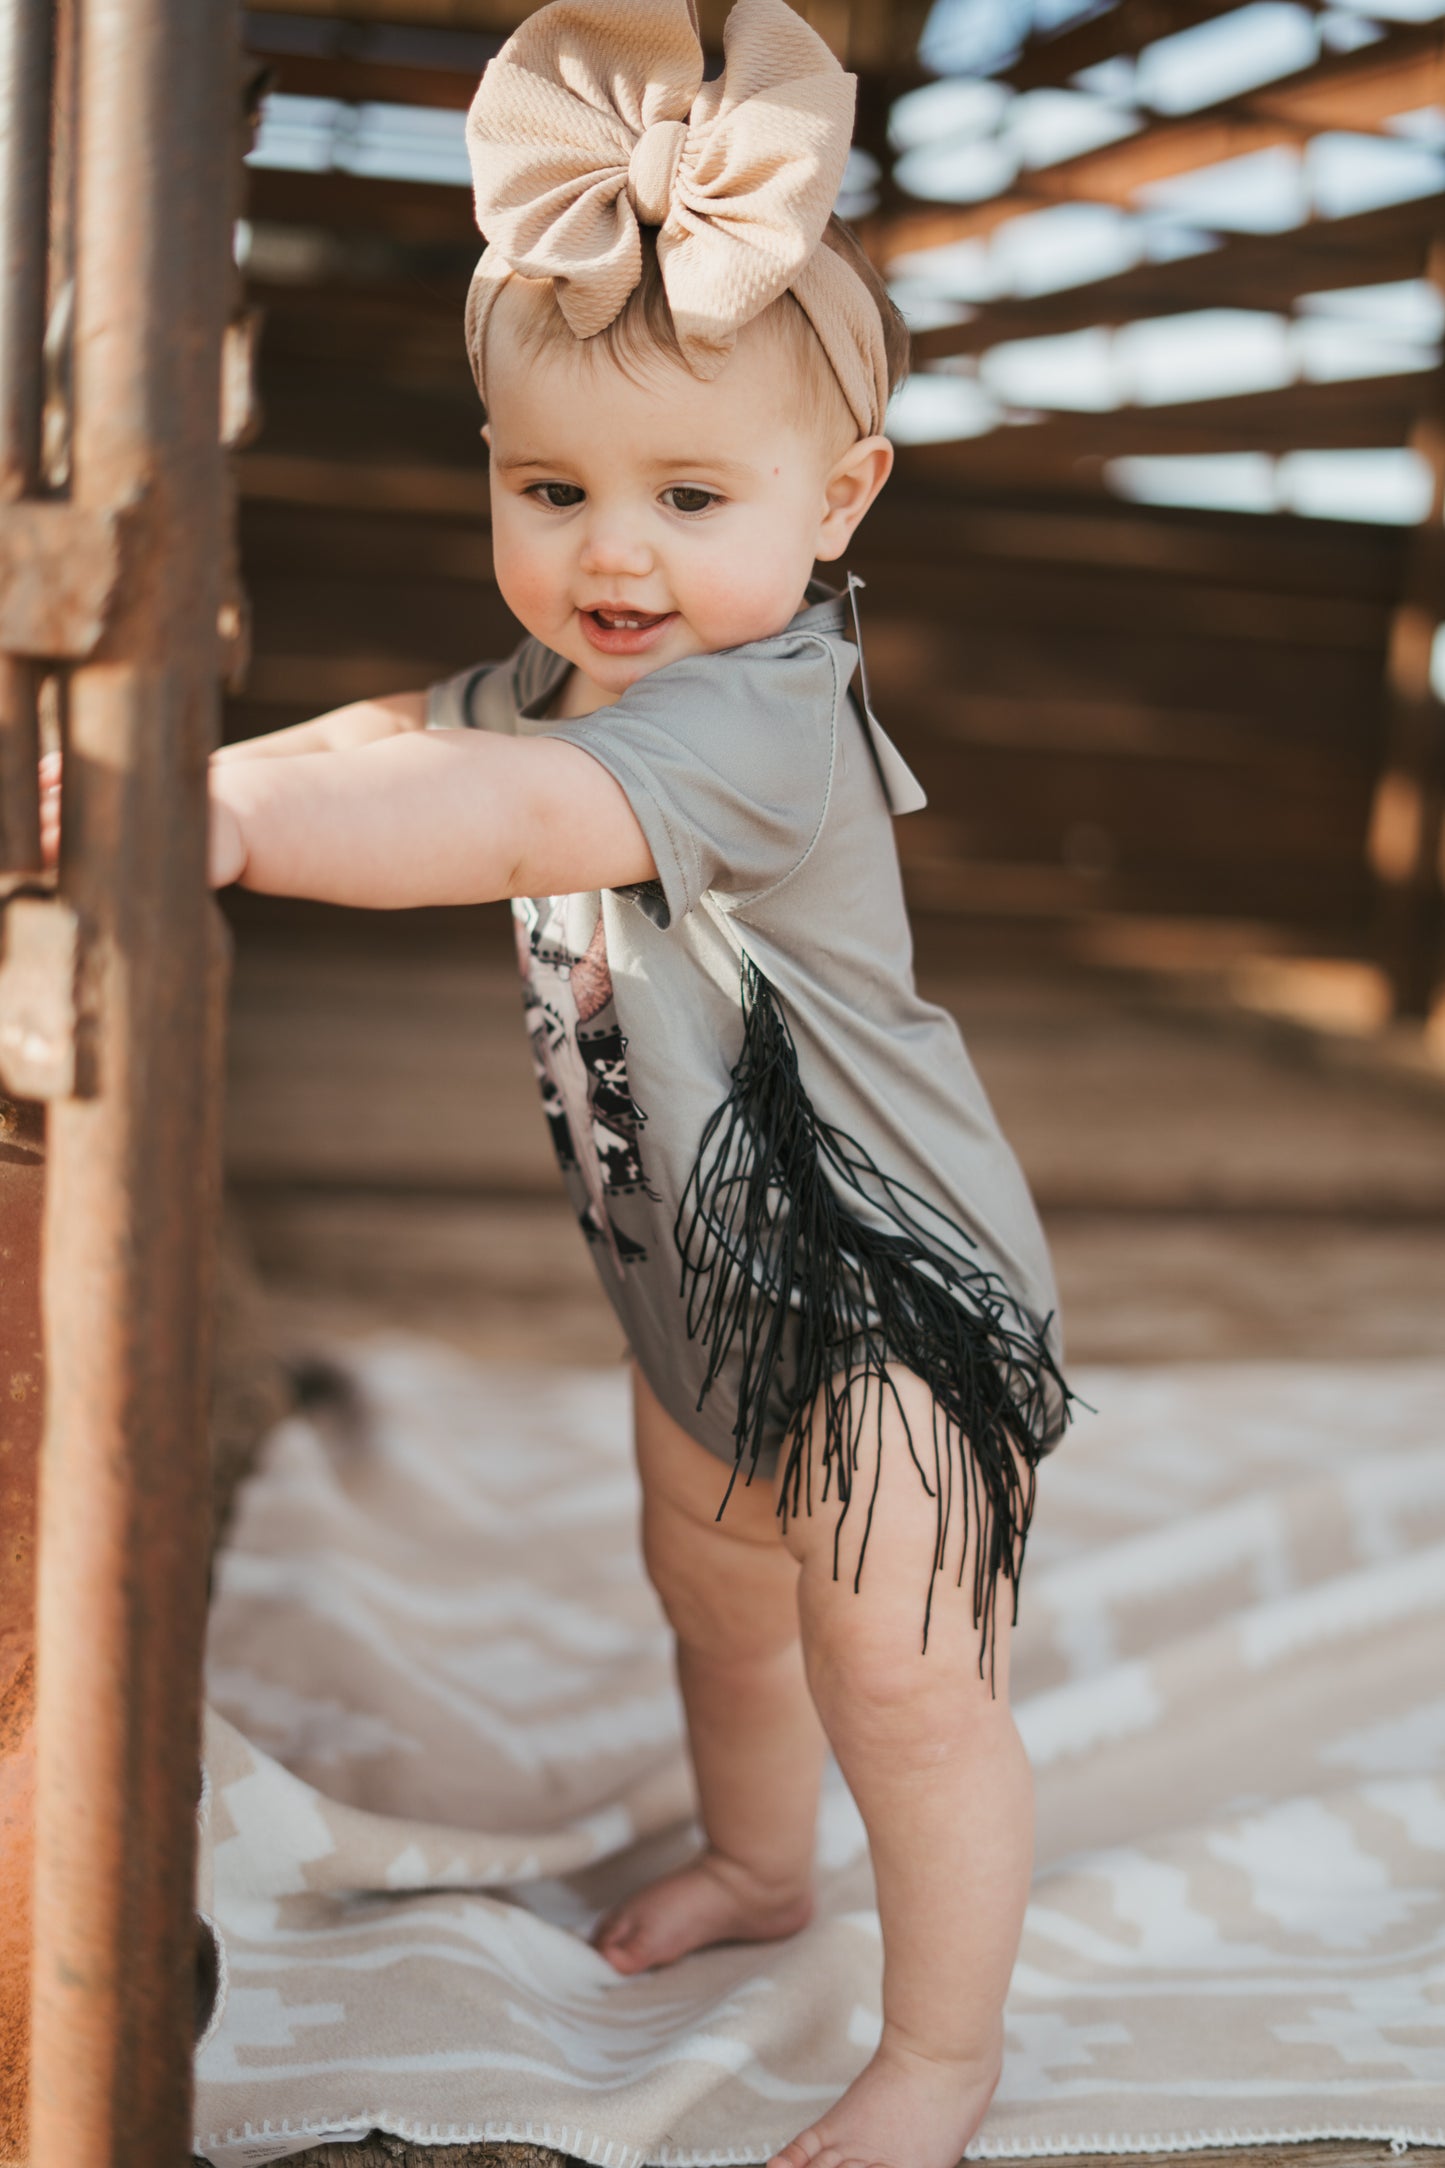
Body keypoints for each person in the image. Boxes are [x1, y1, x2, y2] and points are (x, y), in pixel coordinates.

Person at [201, 2, 1076, 2158]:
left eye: (692, 495)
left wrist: (191, 837)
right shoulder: (552, 675)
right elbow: (394, 749)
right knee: (715, 1599)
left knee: (904, 1677)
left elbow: (479, 826)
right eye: (553, 485)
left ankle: (939, 2060)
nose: (617, 549)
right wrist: (197, 769)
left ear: (838, 496)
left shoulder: (755, 723)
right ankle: (763, 1868)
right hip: (694, 1288)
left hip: (898, 1310)